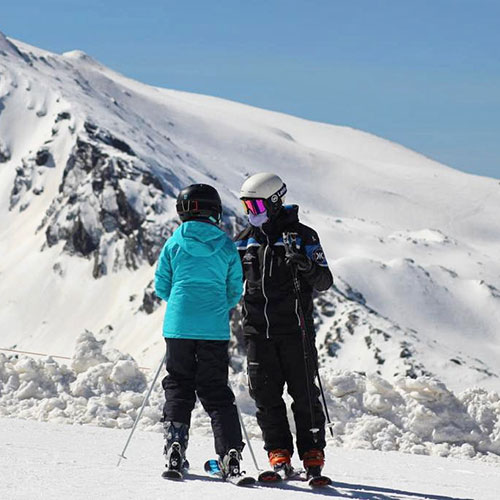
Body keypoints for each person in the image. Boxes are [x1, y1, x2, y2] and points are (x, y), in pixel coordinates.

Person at [235, 172, 333, 478]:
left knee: (304, 393)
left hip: (295, 330)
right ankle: (278, 452)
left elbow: (324, 281)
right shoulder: (244, 241)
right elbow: (230, 281)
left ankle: (312, 452)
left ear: (275, 202)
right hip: (257, 332)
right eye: (247, 207)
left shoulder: (303, 237)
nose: (252, 214)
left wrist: (305, 265)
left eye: (256, 206)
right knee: (265, 395)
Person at [155, 183, 246, 479]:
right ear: (215, 211)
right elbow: (234, 290)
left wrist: (183, 304)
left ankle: (175, 448)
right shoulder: (227, 245)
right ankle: (230, 455)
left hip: (178, 326)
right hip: (214, 328)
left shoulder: (173, 243)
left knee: (179, 385)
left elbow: (161, 286)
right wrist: (215, 306)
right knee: (215, 390)